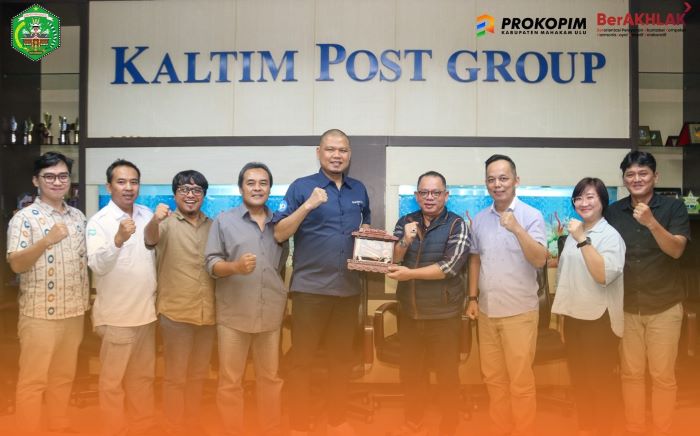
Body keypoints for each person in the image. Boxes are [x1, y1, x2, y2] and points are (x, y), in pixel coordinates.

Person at [272, 129, 371, 436]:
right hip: (310, 290)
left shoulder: (359, 189)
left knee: (340, 362)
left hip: (348, 289)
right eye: (330, 149)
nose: (336, 155)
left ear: (349, 154)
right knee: (302, 362)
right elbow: (279, 233)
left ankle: (336, 420)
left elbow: (365, 228)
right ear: (319, 152)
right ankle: (300, 424)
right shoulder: (302, 187)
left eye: (342, 150)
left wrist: (368, 236)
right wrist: (308, 206)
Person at [605, 151, 690, 436]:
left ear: (655, 177)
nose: (636, 179)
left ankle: (662, 429)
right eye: (630, 174)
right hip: (627, 306)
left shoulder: (673, 208)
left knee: (663, 377)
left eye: (643, 173)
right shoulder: (614, 212)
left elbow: (677, 250)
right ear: (624, 179)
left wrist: (652, 222)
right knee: (630, 375)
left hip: (664, 305)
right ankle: (635, 428)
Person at [6, 152, 89, 434]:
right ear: (36, 181)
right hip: (39, 315)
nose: (57, 181)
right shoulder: (24, 218)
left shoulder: (78, 216)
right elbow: (16, 263)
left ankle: (58, 427)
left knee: (63, 378)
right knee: (33, 382)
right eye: (49, 176)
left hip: (74, 313)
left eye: (63, 176)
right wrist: (46, 241)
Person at [466, 154, 547, 436]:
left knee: (520, 382)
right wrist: (472, 299)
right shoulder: (479, 219)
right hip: (487, 312)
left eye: (503, 178)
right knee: (493, 380)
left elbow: (540, 259)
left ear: (516, 180)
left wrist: (516, 228)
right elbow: (475, 260)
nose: (497, 184)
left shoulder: (531, 215)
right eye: (491, 179)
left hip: (520, 314)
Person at [205, 162, 288, 436]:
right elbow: (211, 264)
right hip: (234, 315)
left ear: (270, 189)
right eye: (251, 182)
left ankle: (271, 429)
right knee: (230, 381)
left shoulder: (279, 223)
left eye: (263, 183)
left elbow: (281, 265)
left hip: (270, 314)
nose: (257, 188)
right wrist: (235, 267)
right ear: (241, 187)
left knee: (271, 379)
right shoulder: (223, 220)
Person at [386, 171, 470, 436]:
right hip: (410, 313)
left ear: (446, 195)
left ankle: (449, 424)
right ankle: (414, 419)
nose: (430, 197)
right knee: (411, 374)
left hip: (444, 314)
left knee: (447, 375)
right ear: (416, 196)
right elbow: (394, 258)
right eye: (424, 192)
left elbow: (450, 267)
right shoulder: (406, 221)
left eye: (436, 192)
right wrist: (405, 240)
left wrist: (410, 274)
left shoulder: (457, 224)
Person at [86, 159, 158, 436]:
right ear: (109, 186)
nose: (129, 188)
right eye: (121, 182)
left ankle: (143, 427)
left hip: (146, 315)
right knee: (112, 384)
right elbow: (98, 266)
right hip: (117, 317)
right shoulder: (100, 222)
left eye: (134, 182)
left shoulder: (145, 213)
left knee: (143, 380)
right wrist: (117, 240)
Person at [551, 178, 625, 436]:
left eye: (590, 197)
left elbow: (604, 275)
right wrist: (561, 320)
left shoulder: (610, 235)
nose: (584, 203)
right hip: (574, 317)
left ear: (603, 201)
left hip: (599, 320)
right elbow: (565, 279)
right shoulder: (574, 233)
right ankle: (586, 428)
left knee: (600, 383)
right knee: (580, 381)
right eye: (579, 198)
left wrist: (583, 239)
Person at [143, 170, 215, 436]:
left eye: (197, 190)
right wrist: (154, 218)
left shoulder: (213, 225)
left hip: (208, 314)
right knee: (175, 377)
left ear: (204, 196)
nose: (191, 195)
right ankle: (173, 427)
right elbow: (149, 239)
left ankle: (192, 424)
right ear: (175, 194)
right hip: (175, 313)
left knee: (198, 376)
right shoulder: (164, 223)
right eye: (184, 189)